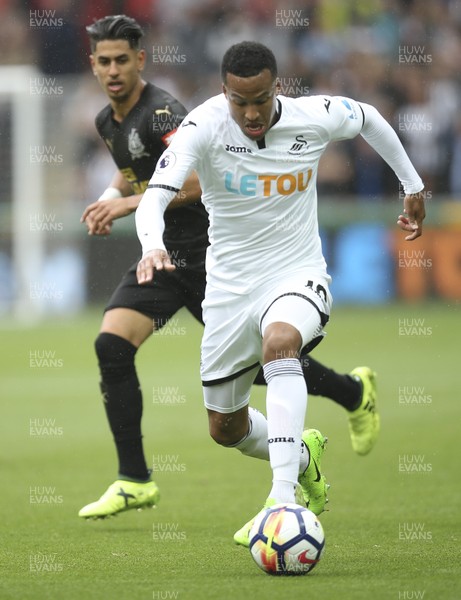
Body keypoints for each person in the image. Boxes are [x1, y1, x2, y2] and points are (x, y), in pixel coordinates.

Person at [78, 18, 380, 520]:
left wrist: (131, 204)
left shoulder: (164, 113)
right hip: (163, 256)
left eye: (122, 60)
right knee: (112, 344)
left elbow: (190, 180)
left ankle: (351, 393)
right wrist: (112, 195)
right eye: (104, 61)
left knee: (266, 364)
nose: (113, 70)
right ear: (93, 64)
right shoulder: (108, 120)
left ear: (140, 60)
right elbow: (135, 163)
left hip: (210, 256)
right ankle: (134, 478)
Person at [135, 41, 425, 547]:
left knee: (281, 344)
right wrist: (152, 245)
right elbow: (154, 199)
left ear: (277, 87)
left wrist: (412, 185)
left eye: (261, 98)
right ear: (223, 91)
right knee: (225, 427)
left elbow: (371, 118)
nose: (250, 112)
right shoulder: (202, 127)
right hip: (228, 290)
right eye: (238, 100)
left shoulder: (314, 115)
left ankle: (283, 497)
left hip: (296, 273)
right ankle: (302, 455)